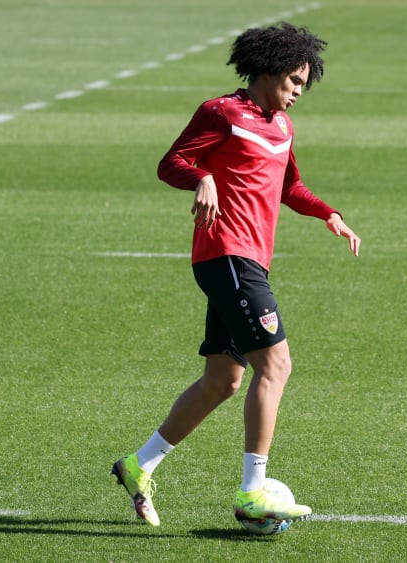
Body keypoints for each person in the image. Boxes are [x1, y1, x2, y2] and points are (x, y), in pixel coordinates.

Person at [112, 22, 360, 527]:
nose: (298, 92)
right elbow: (171, 163)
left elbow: (289, 187)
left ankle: (139, 465)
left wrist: (328, 213)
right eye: (294, 80)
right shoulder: (222, 113)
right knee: (277, 365)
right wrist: (202, 177)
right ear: (268, 70)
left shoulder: (282, 128)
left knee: (223, 380)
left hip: (248, 261)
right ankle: (252, 491)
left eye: (304, 84)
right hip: (227, 255)